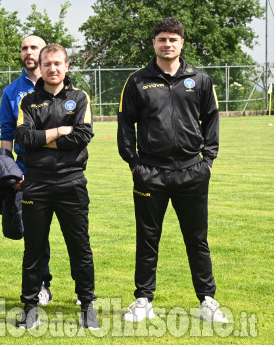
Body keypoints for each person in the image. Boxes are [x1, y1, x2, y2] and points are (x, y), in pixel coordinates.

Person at [117, 17, 227, 323]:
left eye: (173, 39)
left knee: (197, 238)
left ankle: (207, 300)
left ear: (182, 43)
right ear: (154, 43)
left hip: (193, 170)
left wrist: (208, 161)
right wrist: (133, 163)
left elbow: (212, 120)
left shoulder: (200, 79)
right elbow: (126, 123)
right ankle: (143, 300)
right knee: (148, 236)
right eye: (162, 39)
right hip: (150, 171)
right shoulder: (138, 81)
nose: (168, 44)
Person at [15, 44, 99, 330]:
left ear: (66, 66)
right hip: (36, 183)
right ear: (40, 66)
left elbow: (83, 136)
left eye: (58, 64)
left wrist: (43, 138)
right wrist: (60, 131)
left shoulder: (79, 97)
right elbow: (23, 138)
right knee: (33, 249)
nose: (52, 69)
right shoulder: (28, 100)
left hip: (71, 181)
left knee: (80, 247)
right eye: (47, 64)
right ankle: (29, 307)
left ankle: (87, 304)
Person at [0, 35, 59, 306]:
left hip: (61, 169)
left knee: (75, 233)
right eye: (24, 47)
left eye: (34, 47)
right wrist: (9, 170)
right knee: (36, 233)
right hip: (28, 170)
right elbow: (6, 133)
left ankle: (84, 291)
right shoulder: (12, 91)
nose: (28, 52)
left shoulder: (62, 87)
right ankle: (41, 285)